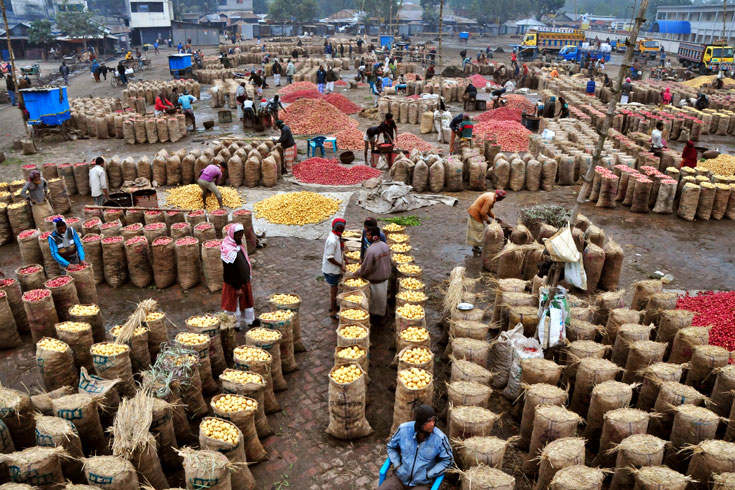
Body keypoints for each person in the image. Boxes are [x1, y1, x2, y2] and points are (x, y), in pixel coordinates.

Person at [381, 405, 453, 490]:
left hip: (422, 484)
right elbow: (391, 447)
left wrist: (429, 474)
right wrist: (397, 465)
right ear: (420, 422)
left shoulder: (440, 438)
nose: (432, 424)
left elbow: (448, 460)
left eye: (434, 420)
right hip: (400, 478)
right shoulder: (403, 430)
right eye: (429, 421)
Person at [221, 223, 258, 328]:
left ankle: (249, 321)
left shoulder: (237, 246)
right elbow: (230, 272)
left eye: (241, 234)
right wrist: (237, 288)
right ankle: (234, 325)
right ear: (232, 234)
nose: (240, 237)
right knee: (234, 305)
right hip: (234, 284)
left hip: (243, 281)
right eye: (238, 235)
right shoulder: (228, 249)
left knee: (246, 303)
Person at [358, 225, 391, 322]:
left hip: (376, 280)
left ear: (374, 237)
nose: (366, 237)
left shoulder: (371, 250)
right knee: (382, 300)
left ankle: (378, 319)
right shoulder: (385, 245)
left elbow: (366, 268)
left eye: (368, 235)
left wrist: (357, 273)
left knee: (375, 302)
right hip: (385, 277)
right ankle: (383, 315)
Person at [322, 218, 346, 319]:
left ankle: (333, 306)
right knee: (334, 290)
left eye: (343, 227)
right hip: (331, 270)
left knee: (335, 289)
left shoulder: (337, 236)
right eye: (341, 228)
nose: (343, 230)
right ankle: (333, 310)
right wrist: (340, 265)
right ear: (336, 227)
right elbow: (330, 257)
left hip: (335, 268)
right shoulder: (332, 240)